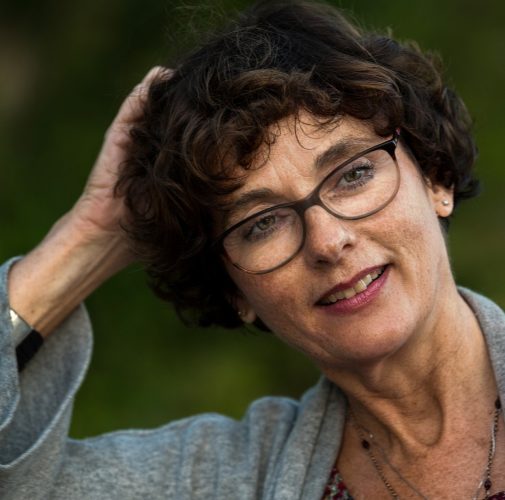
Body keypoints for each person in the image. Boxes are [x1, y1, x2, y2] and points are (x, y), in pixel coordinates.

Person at [1, 0, 504, 498]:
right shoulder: (212, 482)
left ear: (436, 178)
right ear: (234, 292)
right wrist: (85, 240)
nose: (328, 242)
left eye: (353, 175)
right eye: (263, 224)